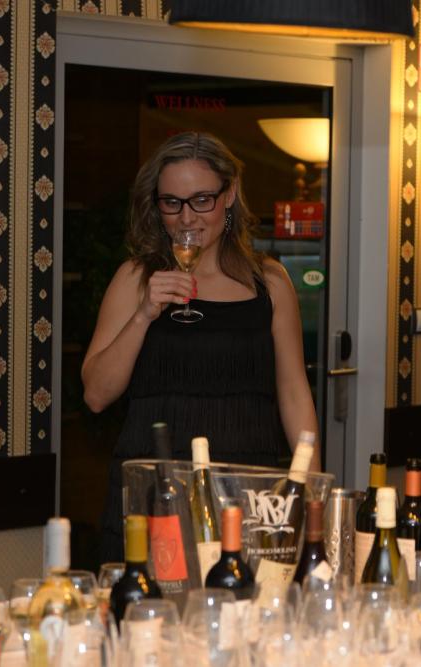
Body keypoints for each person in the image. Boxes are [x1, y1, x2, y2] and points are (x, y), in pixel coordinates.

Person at [82, 131, 319, 561]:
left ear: (230, 194)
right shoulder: (135, 279)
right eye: (171, 203)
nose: (186, 218)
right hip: (156, 497)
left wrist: (311, 495)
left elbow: (294, 393)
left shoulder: (268, 284)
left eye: (201, 200)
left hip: (248, 497)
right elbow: (96, 395)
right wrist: (144, 314)